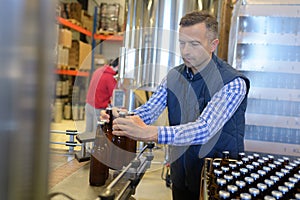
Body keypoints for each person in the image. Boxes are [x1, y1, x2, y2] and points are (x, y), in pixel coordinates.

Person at [101, 10, 250, 200]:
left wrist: (152, 133)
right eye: (182, 43)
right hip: (182, 172)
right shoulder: (173, 76)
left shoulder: (232, 82)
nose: (186, 50)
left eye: (194, 44)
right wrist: (121, 118)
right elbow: (149, 110)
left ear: (213, 45)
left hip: (218, 177)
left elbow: (205, 128)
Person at [84, 58, 118, 134]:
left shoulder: (98, 71)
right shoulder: (110, 78)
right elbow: (115, 95)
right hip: (98, 109)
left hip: (89, 105)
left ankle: (85, 146)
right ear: (118, 66)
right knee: (96, 134)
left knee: (87, 133)